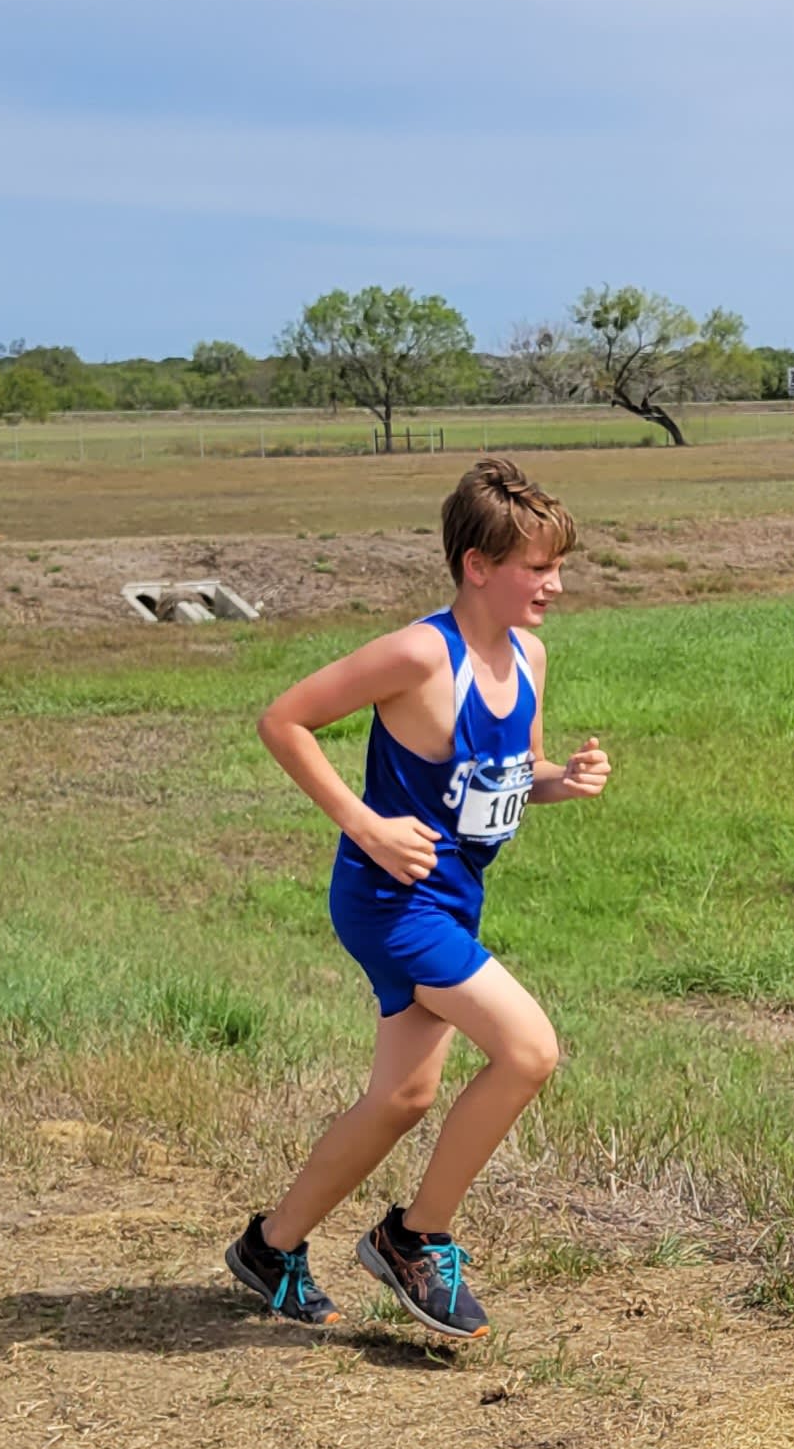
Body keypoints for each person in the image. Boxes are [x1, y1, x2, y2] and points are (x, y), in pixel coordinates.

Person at [225, 458, 612, 1339]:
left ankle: (269, 1248)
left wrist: (565, 779)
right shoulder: (417, 655)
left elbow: (514, 774)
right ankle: (413, 1239)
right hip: (391, 903)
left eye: (558, 566)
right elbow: (283, 720)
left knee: (401, 1098)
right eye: (537, 567)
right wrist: (365, 824)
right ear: (477, 565)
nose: (555, 584)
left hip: (454, 897)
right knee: (529, 1051)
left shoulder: (530, 657)